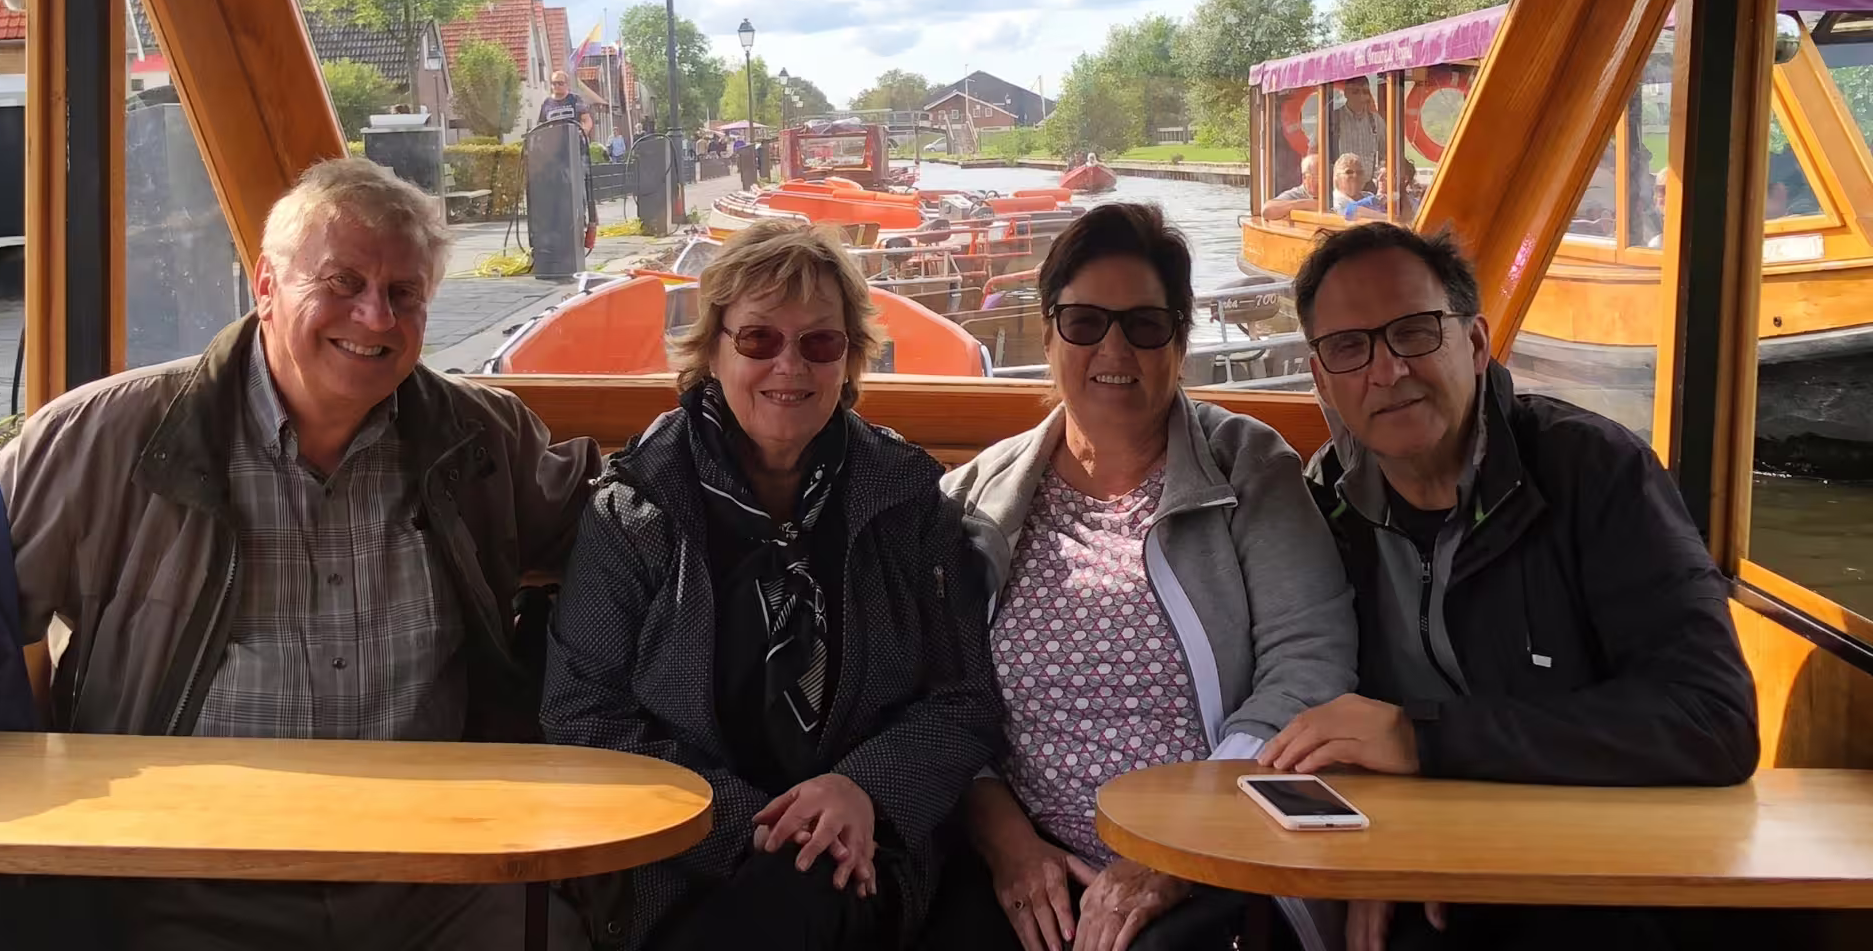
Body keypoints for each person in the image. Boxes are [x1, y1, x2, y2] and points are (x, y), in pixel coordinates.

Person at [0, 157, 598, 950]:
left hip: (436, 869)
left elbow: (624, 533)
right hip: (179, 875)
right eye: (341, 283)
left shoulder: (482, 440)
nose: (375, 318)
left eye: (404, 295)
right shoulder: (107, 436)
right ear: (265, 285)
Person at [1259, 223, 1758, 951]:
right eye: (1350, 347)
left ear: (1475, 341)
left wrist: (1426, 740)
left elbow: (1711, 719)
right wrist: (1375, 846)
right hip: (1421, 868)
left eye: (1414, 332)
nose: (1387, 370)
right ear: (1321, 377)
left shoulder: (1593, 472)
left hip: (1599, 876)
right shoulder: (1324, 505)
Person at [542, 220, 1003, 951]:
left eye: (820, 343)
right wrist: (755, 830)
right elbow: (584, 718)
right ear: (714, 351)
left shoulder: (907, 501)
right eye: (759, 339)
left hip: (867, 854)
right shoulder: (637, 508)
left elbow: (964, 697)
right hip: (682, 856)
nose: (790, 366)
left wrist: (862, 791)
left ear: (847, 360)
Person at [928, 203, 1356, 951]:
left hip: (1216, 856)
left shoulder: (1249, 469)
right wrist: (1008, 846)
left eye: (1145, 324)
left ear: (1180, 339)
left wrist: (1176, 851)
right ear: (1050, 329)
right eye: (1086, 322)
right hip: (1024, 862)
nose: (1114, 347)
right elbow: (935, 692)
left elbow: (1308, 666)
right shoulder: (975, 499)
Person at [1332, 78, 1386, 181]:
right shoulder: (1333, 118)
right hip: (1341, 186)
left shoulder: (1376, 121)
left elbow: (1386, 153)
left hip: (1368, 185)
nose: (1361, 96)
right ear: (1346, 93)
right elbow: (1315, 150)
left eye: (1365, 92)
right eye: (1355, 91)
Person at [1260, 153, 1320, 221]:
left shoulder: (1331, 192)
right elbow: (1266, 211)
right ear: (1305, 178)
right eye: (1318, 176)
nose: (1325, 180)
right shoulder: (1297, 194)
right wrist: (1308, 204)